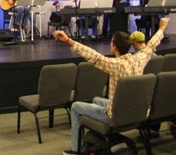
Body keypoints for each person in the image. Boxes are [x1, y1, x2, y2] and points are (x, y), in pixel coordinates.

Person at [53, 17, 169, 155]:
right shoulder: (139, 59)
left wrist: (68, 40)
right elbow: (150, 46)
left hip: (117, 116)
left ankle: (77, 149)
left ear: (114, 46)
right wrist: (162, 28)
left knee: (76, 107)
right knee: (97, 100)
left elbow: (93, 56)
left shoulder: (115, 65)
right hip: (138, 112)